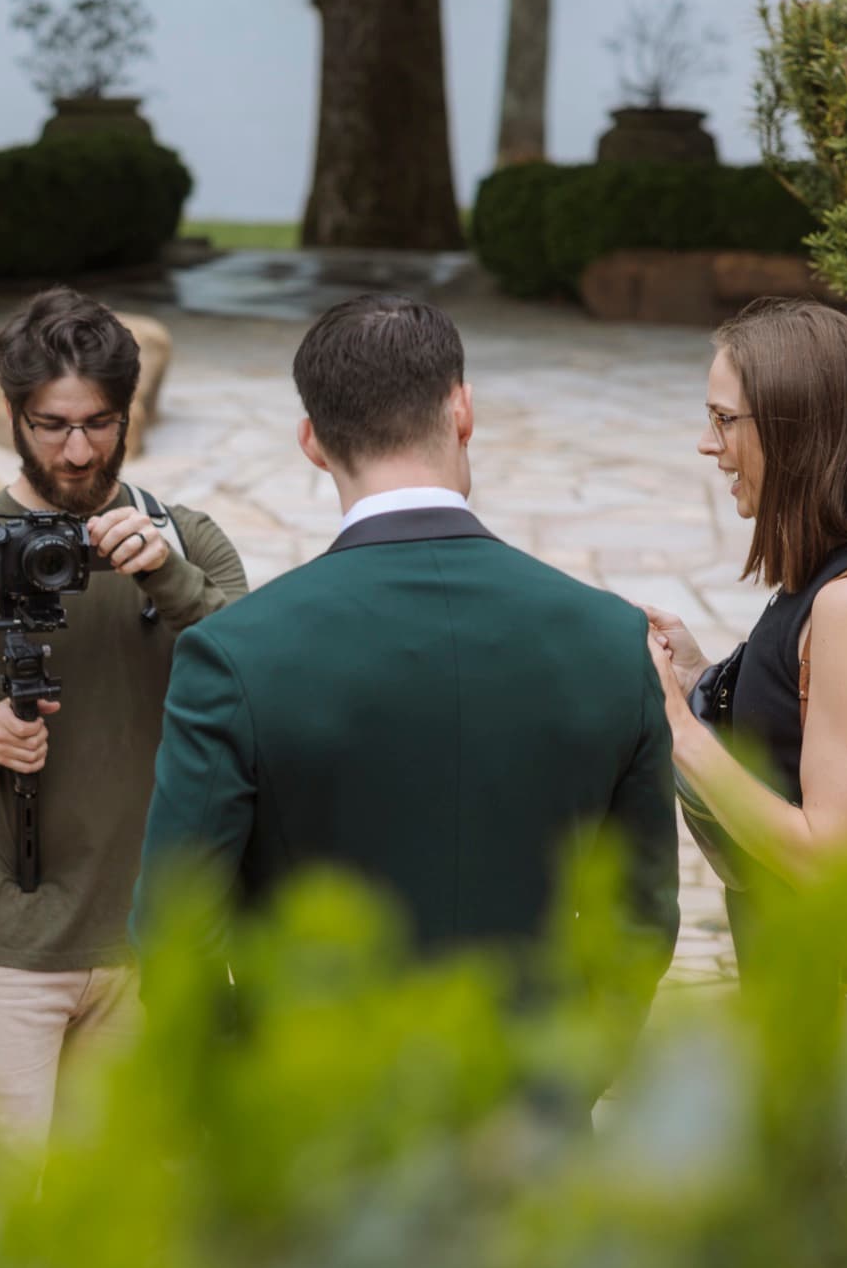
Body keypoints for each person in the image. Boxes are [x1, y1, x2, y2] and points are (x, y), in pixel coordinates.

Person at [133, 294, 679, 997]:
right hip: (543, 1064)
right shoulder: (610, 637)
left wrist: (250, 1062)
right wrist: (579, 1052)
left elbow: (174, 935)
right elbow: (641, 917)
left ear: (311, 442)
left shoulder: (233, 654)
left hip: (312, 1064)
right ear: (464, 411)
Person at [0, 288, 248, 1189]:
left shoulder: (187, 543)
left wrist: (171, 581)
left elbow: (260, 685)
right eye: (52, 425)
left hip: (151, 938)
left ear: (129, 413)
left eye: (99, 424)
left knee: (124, 1216)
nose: (77, 451)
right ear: (12, 414)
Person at [642, 298, 847, 984]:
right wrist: (698, 676)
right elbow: (797, 734)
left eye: (725, 420)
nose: (707, 444)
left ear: (799, 430)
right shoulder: (845, 570)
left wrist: (678, 730)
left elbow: (827, 862)